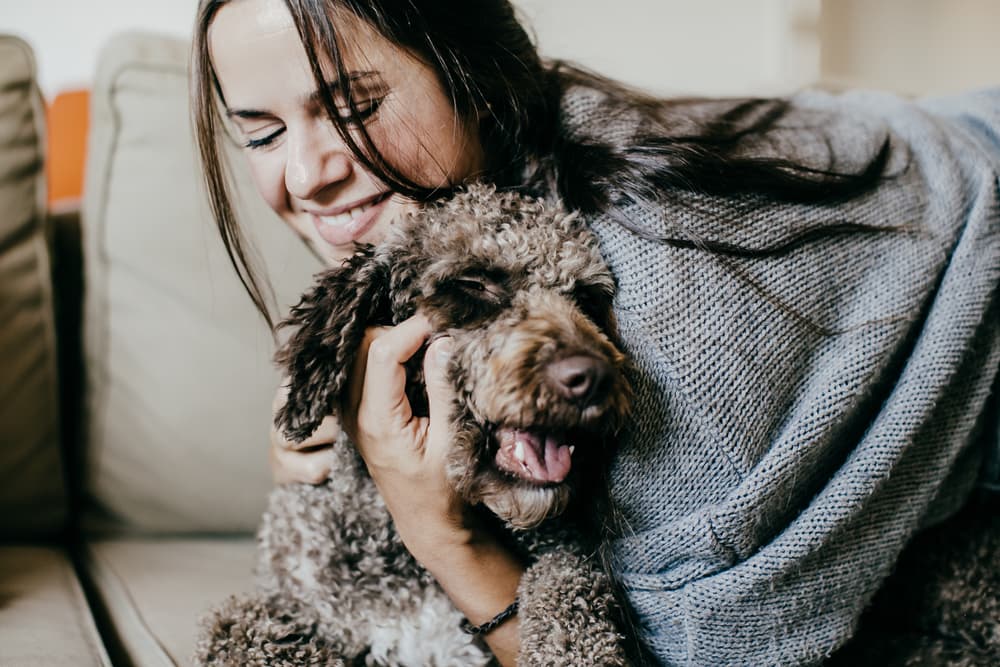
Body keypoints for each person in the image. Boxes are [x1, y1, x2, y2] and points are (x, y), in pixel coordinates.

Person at [191, 0, 1000, 664]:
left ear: (479, 81)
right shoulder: (480, 210)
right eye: (262, 133)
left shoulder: (663, 332)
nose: (304, 174)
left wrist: (440, 530)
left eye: (354, 108)